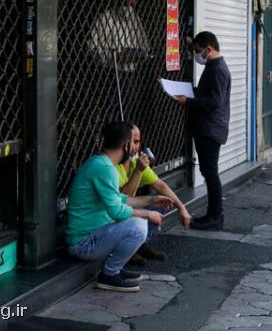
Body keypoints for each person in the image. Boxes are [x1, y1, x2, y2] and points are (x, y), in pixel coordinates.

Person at [66, 122, 174, 292]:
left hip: (93, 235)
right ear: (125, 145)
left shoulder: (101, 163)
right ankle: (109, 274)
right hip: (83, 243)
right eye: (133, 143)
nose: (135, 149)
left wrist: (151, 201)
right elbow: (117, 211)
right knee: (138, 225)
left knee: (138, 220)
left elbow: (119, 199)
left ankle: (116, 269)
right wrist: (147, 213)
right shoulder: (104, 168)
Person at [173, 31, 231, 230]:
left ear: (209, 49)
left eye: (199, 51)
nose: (197, 56)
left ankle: (215, 217)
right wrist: (190, 93)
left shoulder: (218, 70)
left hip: (210, 129)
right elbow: (207, 94)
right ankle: (213, 215)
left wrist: (188, 101)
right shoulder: (213, 67)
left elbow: (215, 101)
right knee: (208, 171)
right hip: (208, 128)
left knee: (210, 172)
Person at [116, 124, 191, 265]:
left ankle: (138, 245)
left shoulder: (134, 161)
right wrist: (138, 171)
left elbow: (160, 185)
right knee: (143, 210)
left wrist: (182, 207)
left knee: (163, 202)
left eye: (138, 142)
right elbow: (123, 200)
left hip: (126, 211)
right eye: (133, 142)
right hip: (115, 214)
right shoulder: (114, 166)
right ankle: (127, 250)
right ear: (123, 142)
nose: (136, 147)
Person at [88, 0, 151, 120]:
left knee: (127, 108)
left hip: (129, 74)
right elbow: (92, 47)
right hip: (109, 73)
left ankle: (124, 138)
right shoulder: (105, 18)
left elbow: (144, 47)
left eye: (132, 0)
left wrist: (136, 55)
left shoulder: (136, 20)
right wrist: (113, 56)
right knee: (109, 110)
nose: (129, 2)